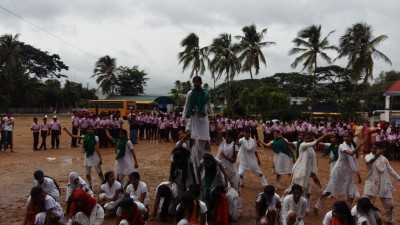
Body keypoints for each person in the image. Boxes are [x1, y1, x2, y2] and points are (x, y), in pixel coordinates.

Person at [314, 132, 366, 215]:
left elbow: (354, 161)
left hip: (348, 172)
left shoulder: (352, 146)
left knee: (351, 193)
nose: (346, 138)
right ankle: (317, 206)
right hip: (339, 171)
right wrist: (361, 145)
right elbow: (351, 153)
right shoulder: (342, 146)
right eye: (344, 136)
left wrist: (358, 175)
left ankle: (347, 212)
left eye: (348, 136)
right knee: (329, 190)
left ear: (351, 137)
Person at [362, 143, 400, 225]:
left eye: (376, 148)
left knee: (390, 206)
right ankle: (362, 219)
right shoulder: (368, 156)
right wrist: (379, 152)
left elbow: (391, 170)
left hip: (384, 183)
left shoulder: (384, 159)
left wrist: (399, 179)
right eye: (372, 148)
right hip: (371, 182)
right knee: (363, 202)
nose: (373, 150)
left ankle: (389, 221)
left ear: (381, 149)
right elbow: (370, 162)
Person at [182, 76, 213, 170]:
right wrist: (183, 117)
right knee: (189, 134)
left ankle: (205, 160)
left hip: (203, 118)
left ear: (201, 83)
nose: (195, 84)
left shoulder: (206, 94)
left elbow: (209, 105)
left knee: (203, 140)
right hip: (193, 116)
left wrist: (211, 114)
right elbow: (186, 105)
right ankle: (190, 157)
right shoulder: (190, 93)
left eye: (197, 82)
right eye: (194, 82)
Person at [197, 153, 229, 224]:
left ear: (212, 161)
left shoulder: (217, 162)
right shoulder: (203, 162)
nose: (207, 164)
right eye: (205, 163)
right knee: (206, 194)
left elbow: (225, 174)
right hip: (207, 179)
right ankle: (208, 212)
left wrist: (226, 186)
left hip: (217, 180)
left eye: (208, 163)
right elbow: (198, 171)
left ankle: (210, 212)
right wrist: (200, 184)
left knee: (213, 195)